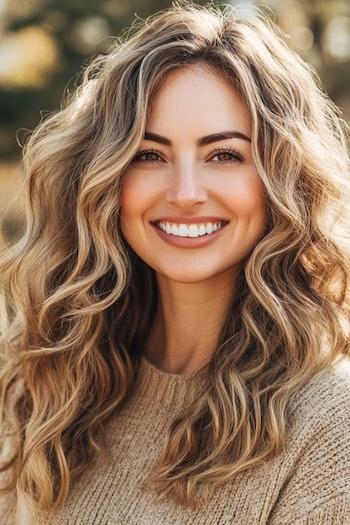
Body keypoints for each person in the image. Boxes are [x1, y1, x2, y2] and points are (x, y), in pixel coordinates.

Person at [1, 1, 350, 523]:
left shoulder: (331, 429)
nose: (185, 193)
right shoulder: (54, 388)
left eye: (224, 155)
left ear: (285, 180)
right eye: (149, 155)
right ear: (104, 179)